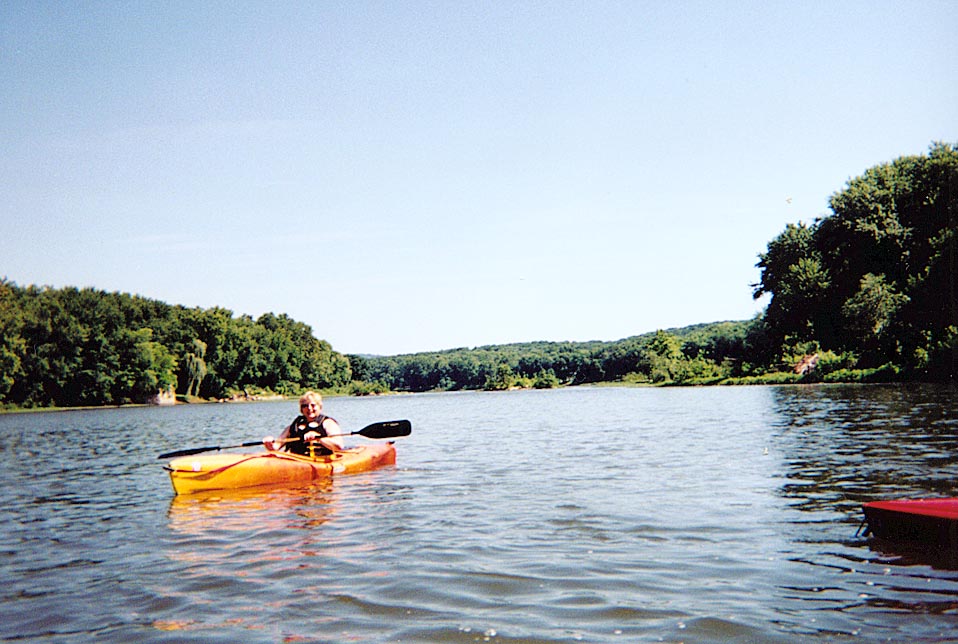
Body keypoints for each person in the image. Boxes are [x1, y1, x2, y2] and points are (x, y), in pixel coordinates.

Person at [263, 391, 345, 456]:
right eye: (305, 406)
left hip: (321, 460)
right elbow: (275, 447)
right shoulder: (293, 426)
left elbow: (339, 446)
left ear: (319, 407)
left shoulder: (328, 423)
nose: (309, 408)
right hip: (296, 460)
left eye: (313, 405)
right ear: (301, 409)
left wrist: (319, 438)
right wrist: (269, 443)